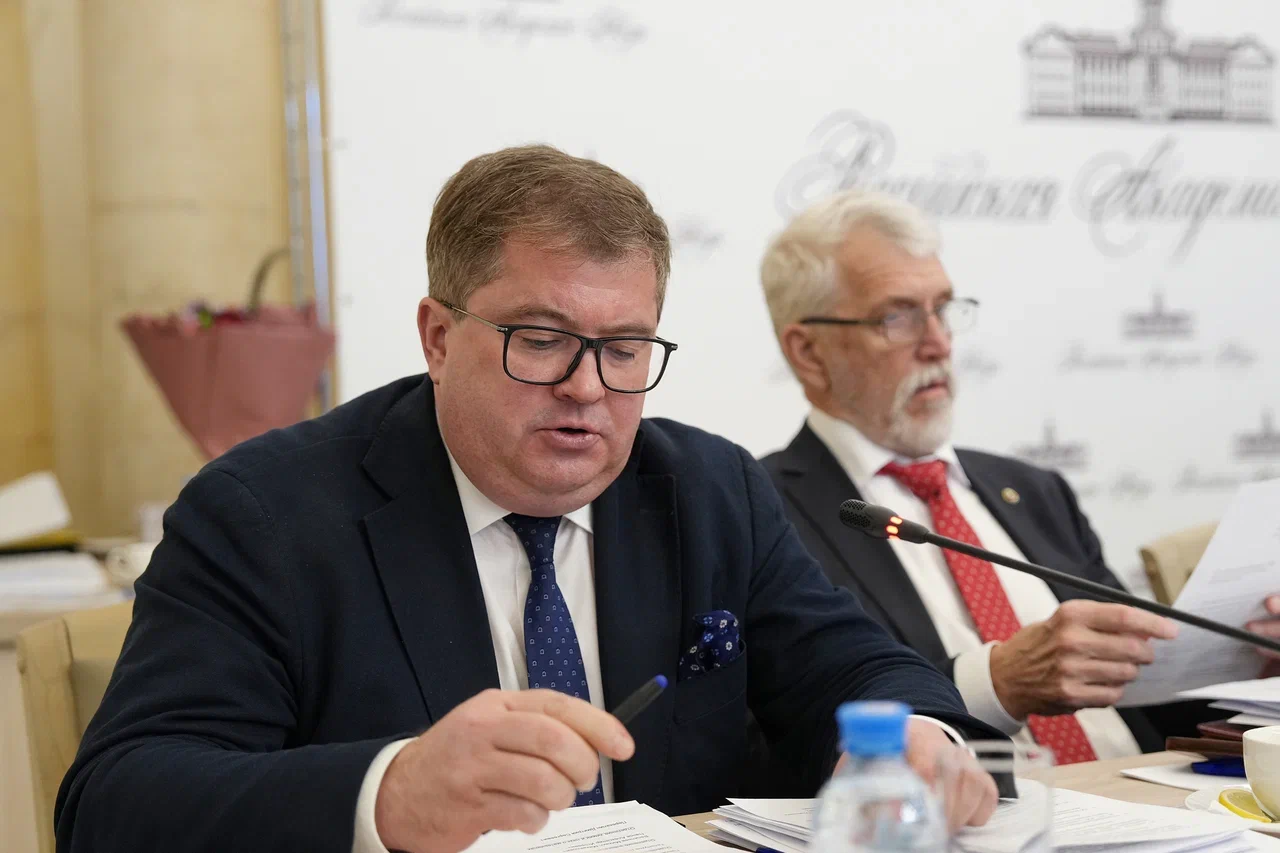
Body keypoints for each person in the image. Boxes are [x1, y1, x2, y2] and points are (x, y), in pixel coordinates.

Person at [56, 147, 1002, 853]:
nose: (587, 387)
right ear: (437, 337)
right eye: (541, 340)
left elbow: (857, 666)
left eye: (625, 348)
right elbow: (116, 800)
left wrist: (918, 739)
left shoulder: (709, 489)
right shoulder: (264, 515)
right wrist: (388, 793)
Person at [758, 188, 1280, 765]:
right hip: (981, 807)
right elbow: (796, 726)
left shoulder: (1034, 490)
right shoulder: (762, 512)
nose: (939, 343)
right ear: (809, 352)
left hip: (1142, 792)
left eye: (944, 309)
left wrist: (1252, 668)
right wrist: (997, 682)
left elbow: (1150, 703)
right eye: (897, 317)